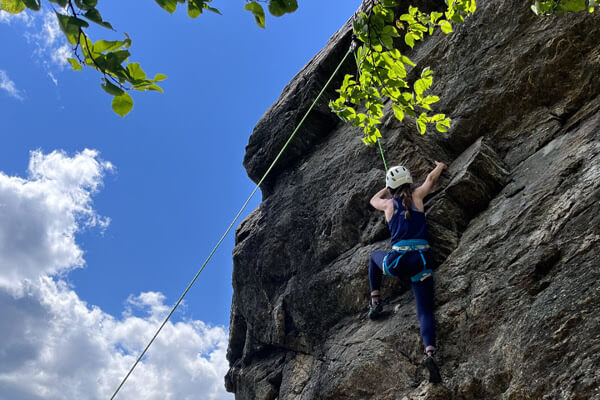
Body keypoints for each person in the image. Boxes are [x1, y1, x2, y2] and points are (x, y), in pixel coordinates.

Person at [367, 161, 447, 383]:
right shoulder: (418, 197)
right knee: (425, 311)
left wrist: (386, 187)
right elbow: (431, 179)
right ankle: (431, 352)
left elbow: (373, 200)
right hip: (421, 260)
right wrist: (440, 165)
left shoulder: (388, 205)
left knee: (373, 258)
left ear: (391, 187)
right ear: (410, 182)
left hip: (399, 261)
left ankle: (375, 300)